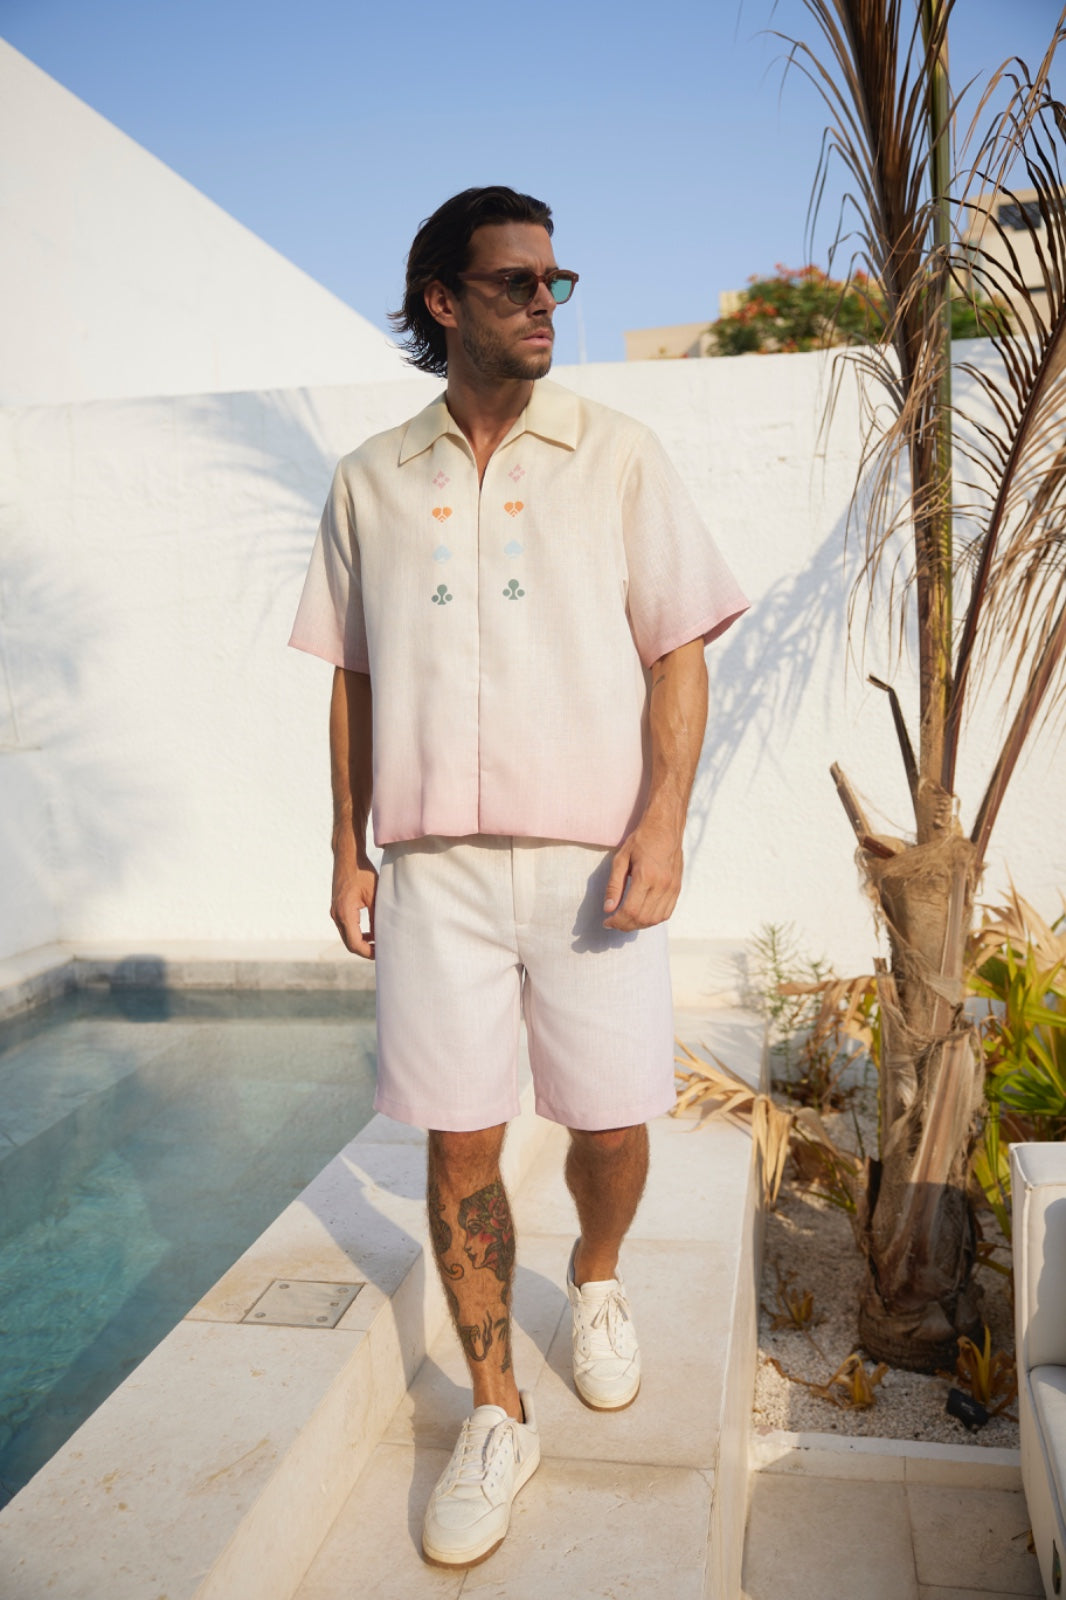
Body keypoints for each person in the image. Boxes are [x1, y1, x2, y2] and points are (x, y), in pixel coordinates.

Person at [289, 186, 748, 1568]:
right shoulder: (369, 477)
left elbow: (678, 649)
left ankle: (595, 1279)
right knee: (458, 1135)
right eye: (514, 283)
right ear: (443, 300)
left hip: (591, 866)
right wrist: (344, 846)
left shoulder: (615, 453)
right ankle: (496, 1410)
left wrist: (661, 824)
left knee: (610, 1122)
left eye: (557, 280)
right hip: (432, 872)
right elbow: (355, 677)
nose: (546, 302)